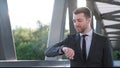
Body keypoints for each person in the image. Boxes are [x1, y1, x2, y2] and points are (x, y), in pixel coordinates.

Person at [45, 7, 113, 67]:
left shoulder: (103, 41)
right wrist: (63, 49)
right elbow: (47, 51)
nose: (76, 24)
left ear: (89, 20)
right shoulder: (71, 39)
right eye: (74, 21)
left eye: (79, 20)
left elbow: (108, 64)